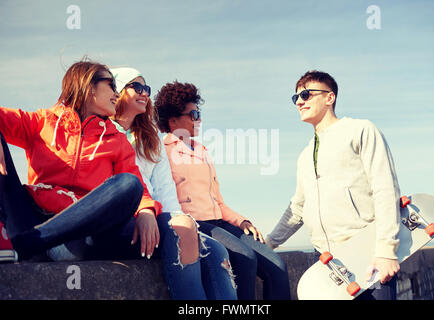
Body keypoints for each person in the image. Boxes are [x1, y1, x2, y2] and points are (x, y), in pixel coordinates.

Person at [0, 59, 161, 264]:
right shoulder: (42, 122)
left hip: (79, 236)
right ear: (89, 87)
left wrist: (146, 209)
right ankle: (24, 241)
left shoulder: (117, 140)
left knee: (129, 184)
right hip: (29, 218)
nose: (116, 93)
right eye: (111, 85)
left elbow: (137, 186)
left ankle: (30, 244)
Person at [266, 70, 401, 300]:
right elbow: (298, 207)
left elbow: (385, 189)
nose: (299, 101)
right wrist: (268, 242)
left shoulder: (360, 130)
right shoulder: (305, 155)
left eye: (306, 95)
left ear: (330, 98)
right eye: (296, 98)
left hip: (367, 253)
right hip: (326, 264)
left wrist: (386, 250)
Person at [154, 81, 291, 300]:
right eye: (193, 114)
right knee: (245, 259)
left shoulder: (203, 151)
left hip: (221, 223)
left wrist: (242, 221)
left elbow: (218, 202)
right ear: (172, 120)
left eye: (198, 114)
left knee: (277, 267)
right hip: (196, 224)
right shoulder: (163, 151)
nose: (198, 119)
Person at [109, 66, 237, 299]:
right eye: (136, 86)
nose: (145, 92)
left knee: (216, 251)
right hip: (127, 219)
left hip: (158, 217)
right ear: (117, 92)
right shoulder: (107, 133)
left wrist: (177, 219)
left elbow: (165, 189)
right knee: (186, 235)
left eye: (146, 88)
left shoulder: (150, 139)